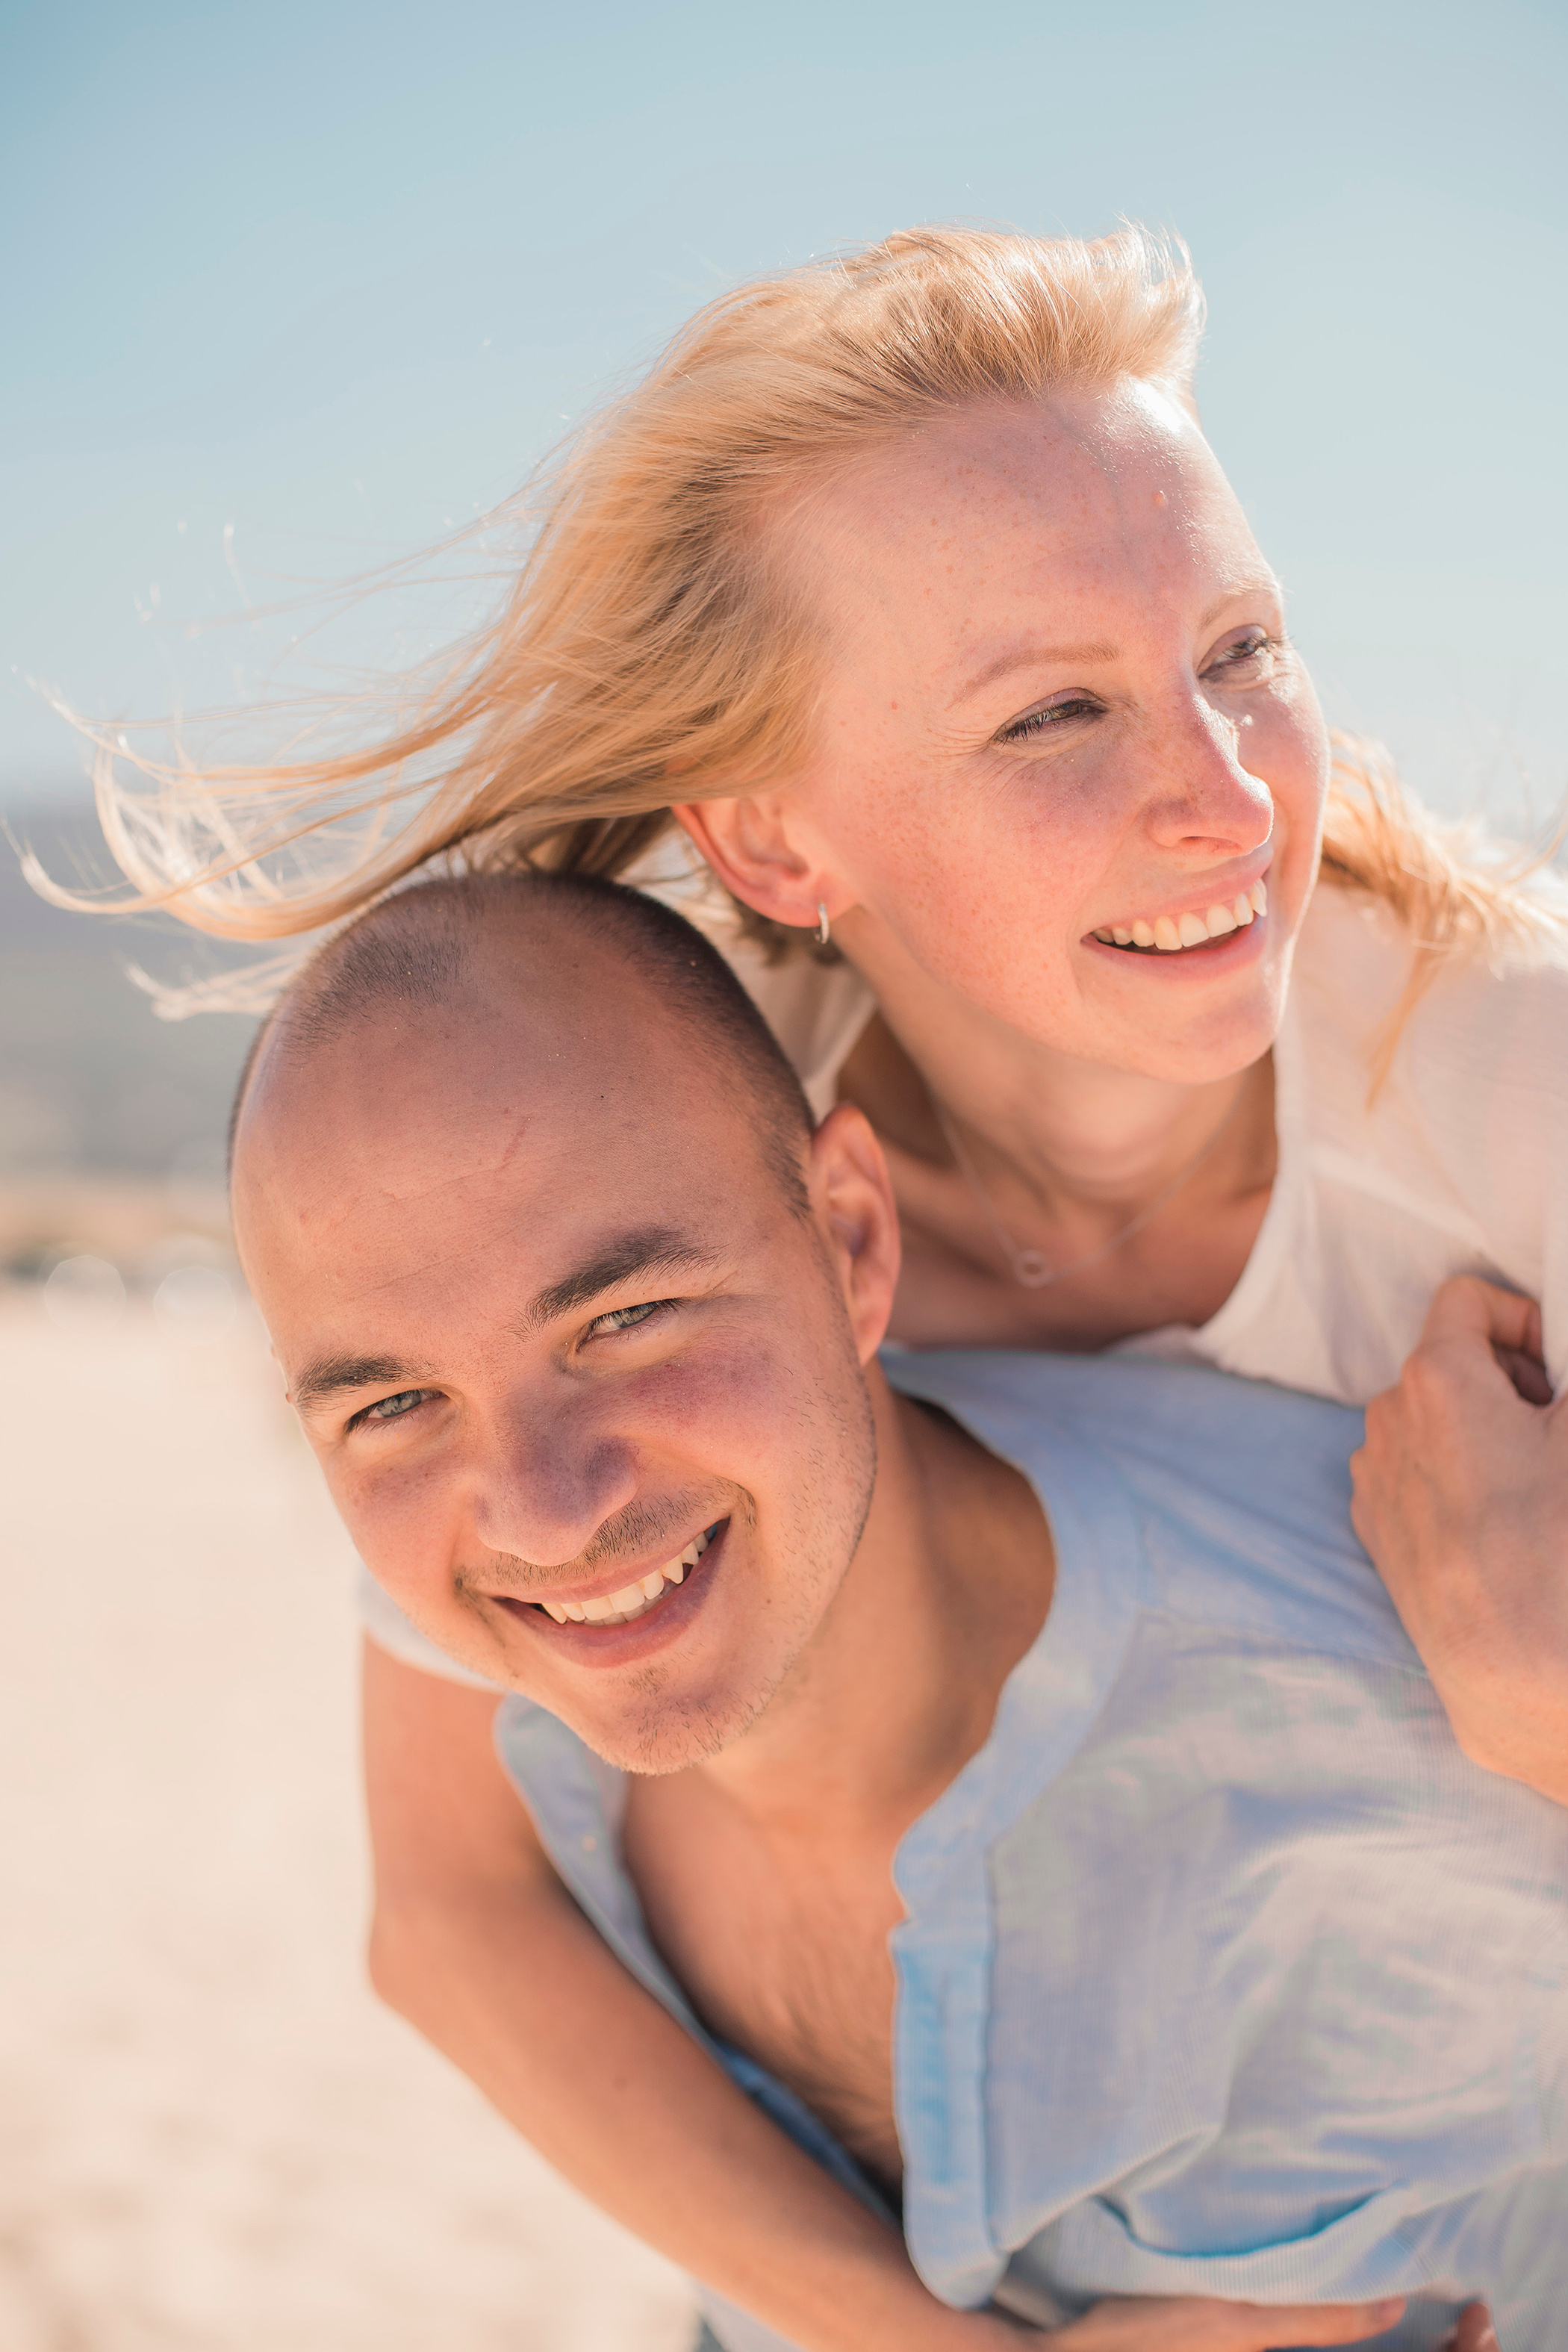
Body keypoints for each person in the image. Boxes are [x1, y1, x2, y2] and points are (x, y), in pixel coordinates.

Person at [49, 224, 1560, 2342]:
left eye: (1240, 647)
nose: (1224, 798)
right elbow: (458, 1906)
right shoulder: (659, 1148)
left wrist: (1540, 1701)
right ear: (768, 843)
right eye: (1051, 709)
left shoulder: (1516, 1103)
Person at [228, 871, 1546, 2351]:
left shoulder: (1393, 1686)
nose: (542, 1512)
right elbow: (439, 1930)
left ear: (852, 1239)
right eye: (395, 1405)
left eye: (624, 1321)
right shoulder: (508, 1719)